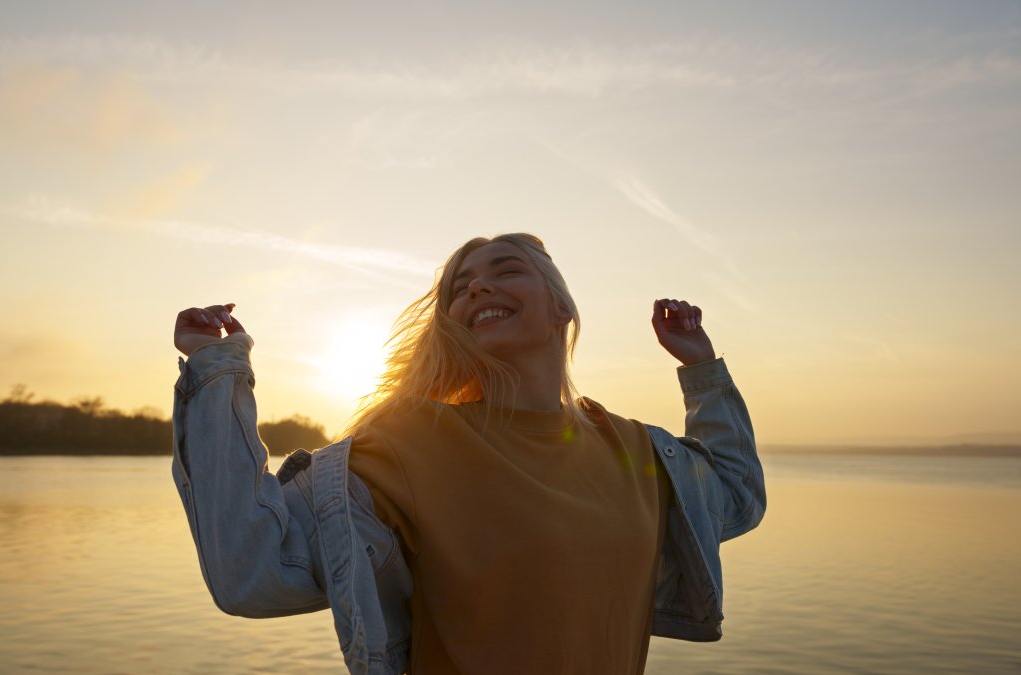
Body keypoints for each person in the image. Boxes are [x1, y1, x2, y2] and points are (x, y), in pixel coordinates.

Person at [171, 233, 765, 675]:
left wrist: (702, 369)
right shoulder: (411, 446)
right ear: (453, 322)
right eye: (462, 286)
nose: (479, 286)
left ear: (562, 308)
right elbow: (251, 573)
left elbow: (736, 498)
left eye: (507, 271)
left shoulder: (634, 449)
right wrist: (214, 370)